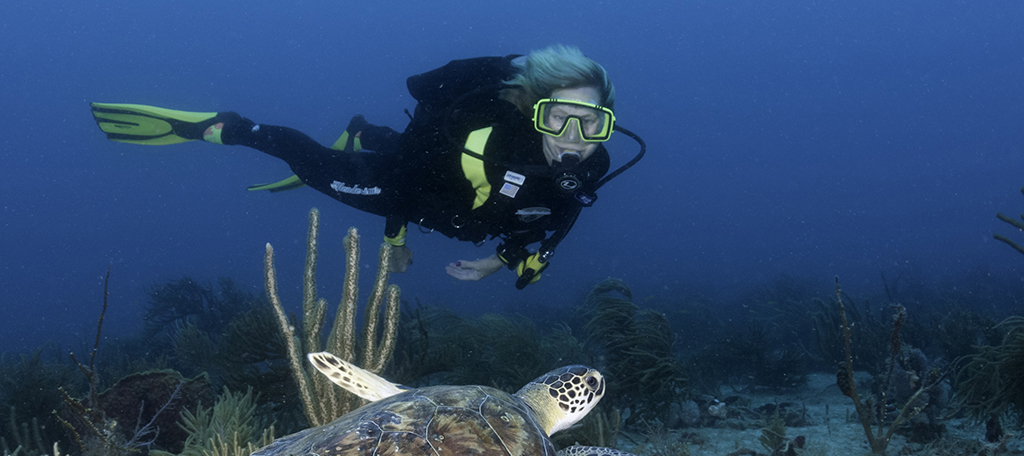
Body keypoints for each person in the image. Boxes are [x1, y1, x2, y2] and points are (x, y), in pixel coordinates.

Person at [90, 45, 643, 288]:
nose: (573, 139)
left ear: (608, 121)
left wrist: (503, 260)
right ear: (533, 110)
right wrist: (394, 242)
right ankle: (223, 127)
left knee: (389, 147)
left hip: (463, 211)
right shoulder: (486, 134)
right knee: (310, 165)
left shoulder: (596, 161)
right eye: (558, 118)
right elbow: (408, 174)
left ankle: (364, 129)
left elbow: (564, 214)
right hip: (410, 188)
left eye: (591, 123)